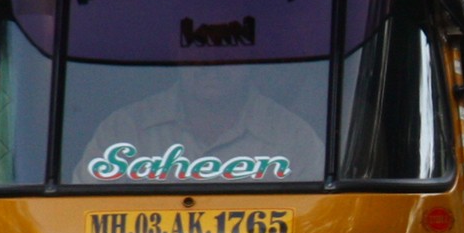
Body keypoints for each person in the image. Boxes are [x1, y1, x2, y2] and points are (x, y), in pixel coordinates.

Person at [75, 65, 323, 184]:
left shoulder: (293, 135)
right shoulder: (123, 129)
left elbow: (316, 226)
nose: (212, 62)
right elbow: (80, 217)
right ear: (177, 53)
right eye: (198, 42)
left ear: (251, 55)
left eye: (228, 43)